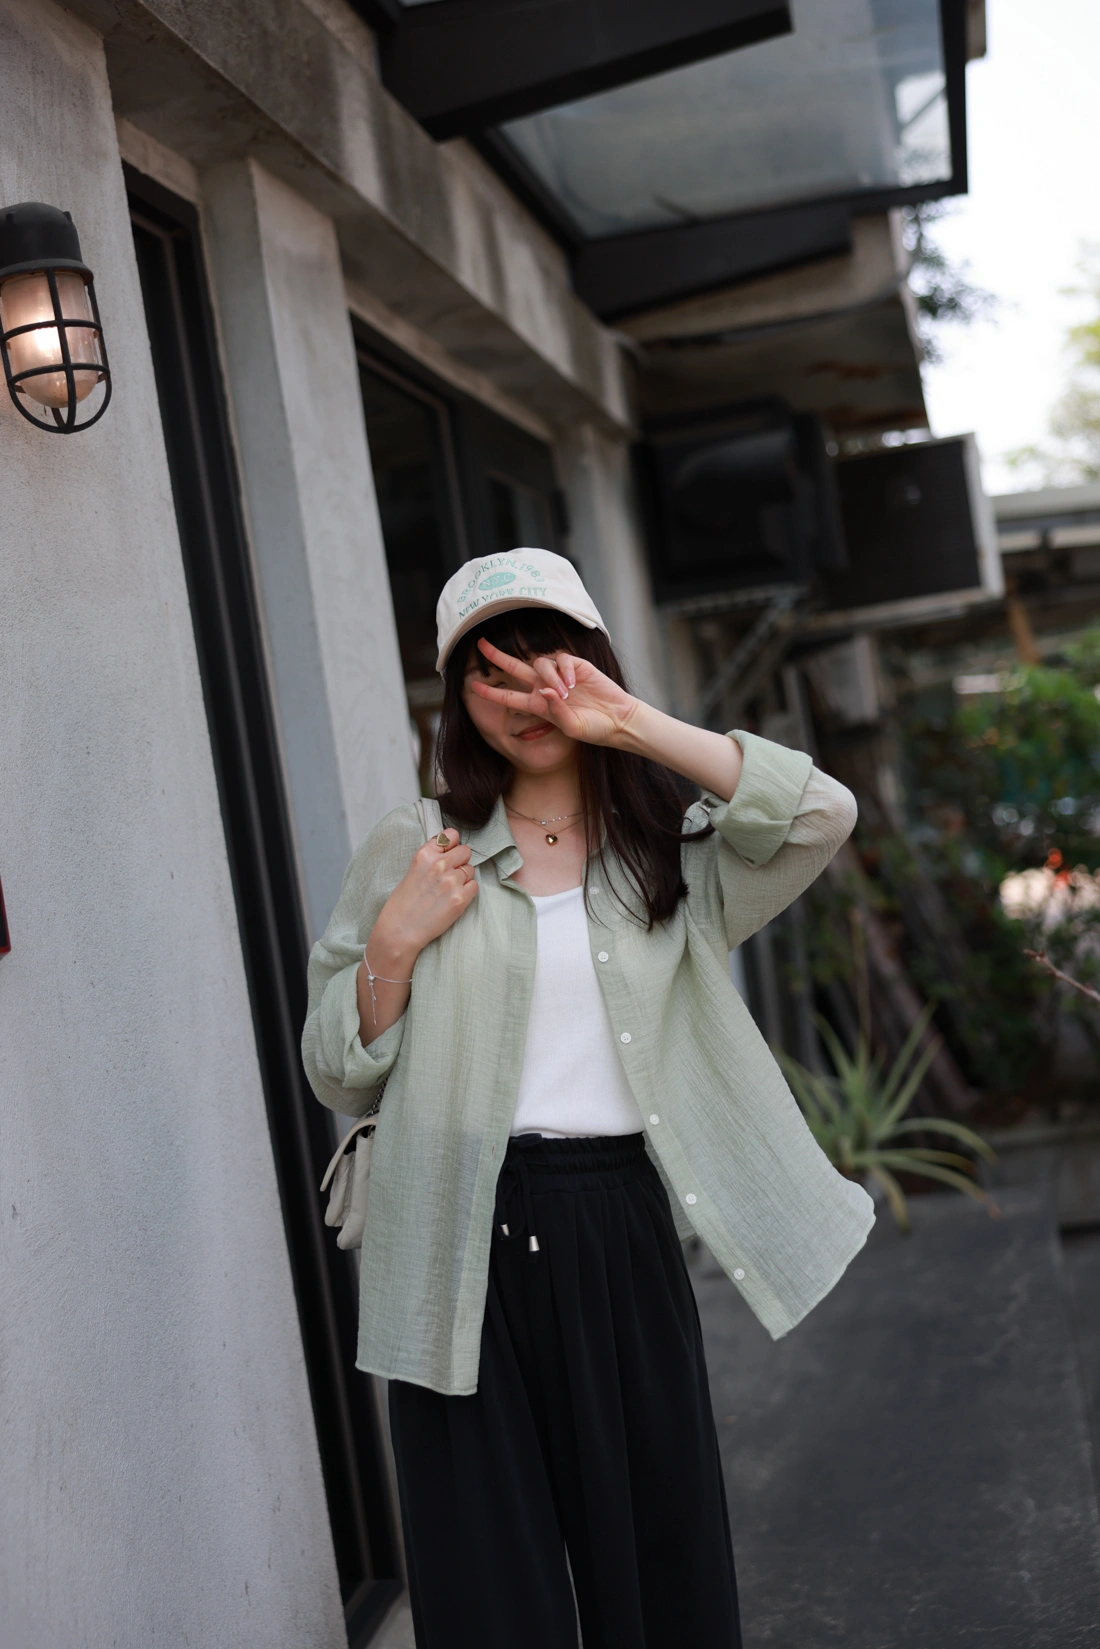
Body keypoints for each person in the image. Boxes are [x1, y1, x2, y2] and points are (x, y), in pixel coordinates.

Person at [302, 547, 874, 1649]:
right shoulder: (414, 845)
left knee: (660, 1572)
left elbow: (820, 813)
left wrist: (633, 725)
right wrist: (392, 943)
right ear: (456, 694)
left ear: (596, 662)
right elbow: (335, 1069)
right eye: (493, 669)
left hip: (616, 1228)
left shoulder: (671, 848)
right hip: (451, 1231)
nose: (528, 693)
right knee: (488, 1589)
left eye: (551, 658)